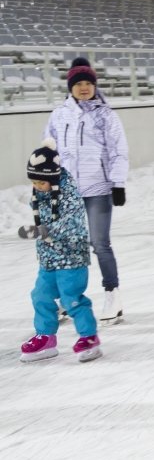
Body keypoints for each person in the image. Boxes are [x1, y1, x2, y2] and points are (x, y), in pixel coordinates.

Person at [44, 58, 129, 325]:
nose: (83, 88)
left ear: (94, 86)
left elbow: (118, 150)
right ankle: (67, 299)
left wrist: (118, 183)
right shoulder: (59, 115)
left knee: (99, 243)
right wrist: (48, 183)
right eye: (78, 83)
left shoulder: (106, 115)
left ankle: (112, 293)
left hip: (99, 189)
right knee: (67, 246)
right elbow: (49, 151)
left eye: (88, 83)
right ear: (70, 86)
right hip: (68, 192)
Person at [18, 139, 102, 363]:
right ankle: (46, 337)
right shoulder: (41, 196)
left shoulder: (69, 195)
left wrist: (40, 231)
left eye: (41, 182)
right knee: (40, 296)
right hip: (49, 260)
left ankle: (89, 337)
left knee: (71, 299)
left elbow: (70, 225)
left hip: (71, 259)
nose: (37, 186)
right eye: (33, 181)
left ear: (52, 178)